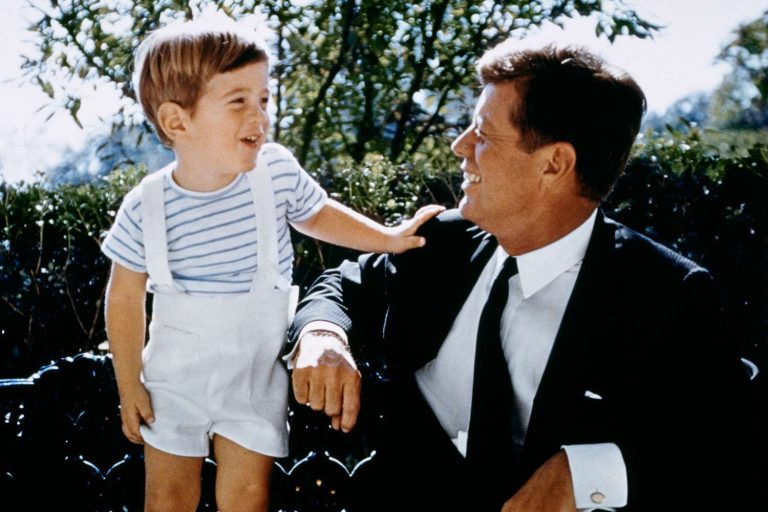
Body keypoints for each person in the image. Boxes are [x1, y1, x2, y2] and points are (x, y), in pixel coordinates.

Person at [287, 41, 767, 511]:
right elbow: (342, 285)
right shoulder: (441, 243)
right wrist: (322, 333)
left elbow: (728, 440)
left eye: (483, 134)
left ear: (555, 164)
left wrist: (588, 472)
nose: (459, 146)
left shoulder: (666, 294)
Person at [101, 18, 442, 512]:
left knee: (247, 497)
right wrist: (129, 383)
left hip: (255, 376)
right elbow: (124, 298)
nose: (258, 117)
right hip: (174, 379)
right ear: (177, 122)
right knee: (168, 497)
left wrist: (388, 238)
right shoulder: (146, 205)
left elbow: (319, 214)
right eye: (238, 101)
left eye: (263, 99)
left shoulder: (274, 173)